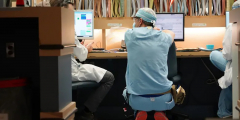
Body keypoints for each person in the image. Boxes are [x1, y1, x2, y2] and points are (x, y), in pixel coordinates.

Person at [49, 0, 115, 120]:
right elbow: (82, 56)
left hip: (54, 72)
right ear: (61, 12)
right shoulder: (67, 27)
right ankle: (87, 111)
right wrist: (86, 49)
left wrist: (79, 47)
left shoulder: (47, 25)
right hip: (70, 71)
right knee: (109, 78)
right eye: (70, 13)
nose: (72, 16)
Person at [122, 8, 175, 120]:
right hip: (165, 98)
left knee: (126, 90)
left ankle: (140, 111)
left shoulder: (129, 35)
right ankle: (160, 111)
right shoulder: (164, 37)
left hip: (137, 99)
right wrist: (157, 30)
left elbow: (131, 33)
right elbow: (172, 33)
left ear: (140, 21)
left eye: (135, 20)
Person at [209, 23, 232, 118]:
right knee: (230, 77)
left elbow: (228, 54)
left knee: (213, 54)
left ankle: (223, 113)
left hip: (237, 66)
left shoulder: (233, 26)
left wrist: (223, 52)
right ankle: (223, 112)